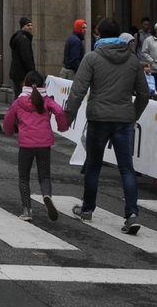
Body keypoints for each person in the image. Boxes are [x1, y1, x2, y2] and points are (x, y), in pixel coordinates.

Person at [64, 17, 151, 232]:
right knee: (127, 168)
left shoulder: (92, 58)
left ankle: (87, 208)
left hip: (99, 118)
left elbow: (78, 90)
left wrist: (67, 117)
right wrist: (133, 115)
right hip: (124, 120)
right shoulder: (133, 61)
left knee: (93, 165)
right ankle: (131, 214)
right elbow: (144, 94)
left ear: (100, 35)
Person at [2, 69, 68, 221]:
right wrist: (62, 127)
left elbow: (8, 118)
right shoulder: (46, 100)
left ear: (25, 84)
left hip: (26, 144)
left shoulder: (19, 101)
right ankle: (46, 195)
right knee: (44, 175)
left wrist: (9, 131)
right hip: (44, 143)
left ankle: (27, 210)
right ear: (43, 84)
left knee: (23, 177)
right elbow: (59, 111)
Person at [8, 16, 37, 93]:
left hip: (17, 73)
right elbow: (26, 57)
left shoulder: (19, 37)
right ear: (22, 26)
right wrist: (32, 71)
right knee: (22, 96)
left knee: (18, 95)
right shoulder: (23, 39)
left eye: (31, 25)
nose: (30, 27)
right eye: (28, 25)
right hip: (22, 74)